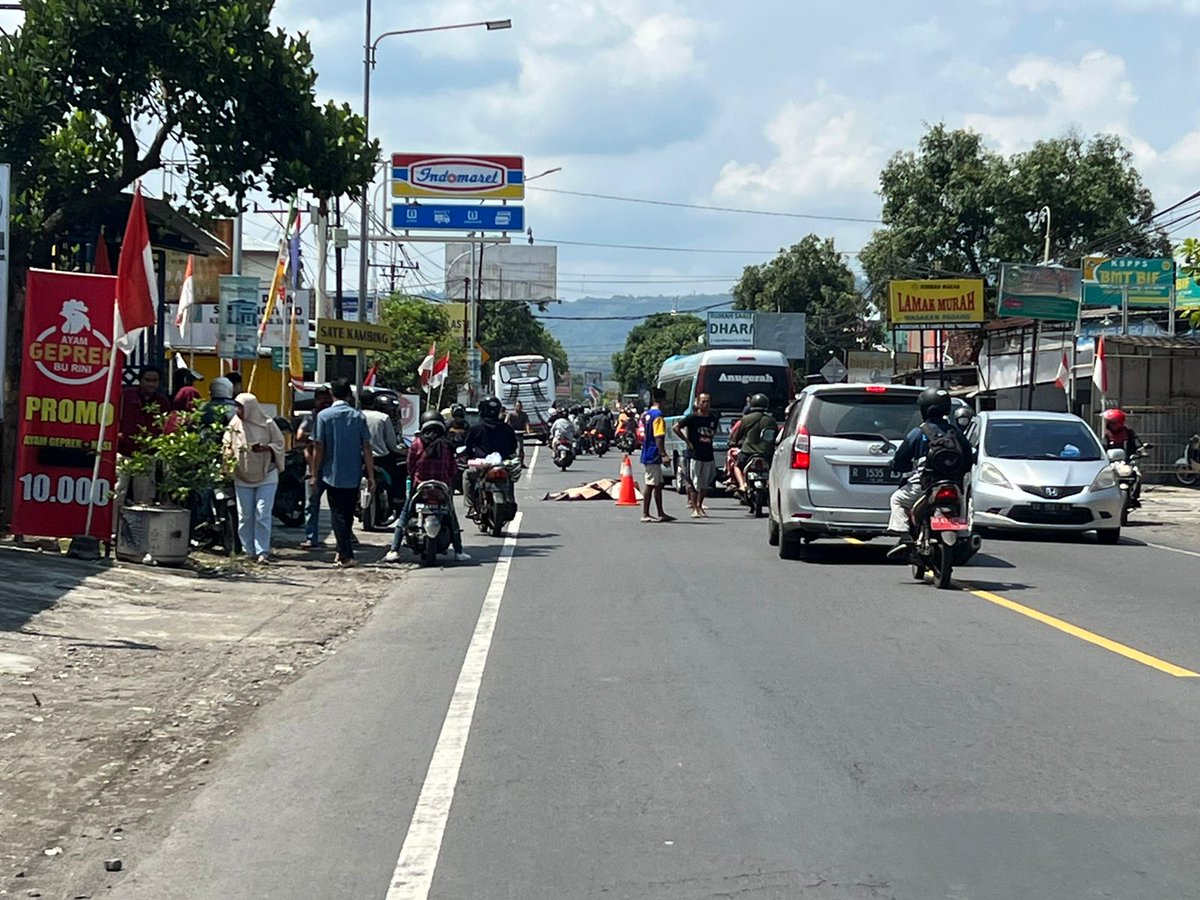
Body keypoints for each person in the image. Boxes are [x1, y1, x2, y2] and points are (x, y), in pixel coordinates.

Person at [885, 386, 971, 558]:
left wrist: (895, 465)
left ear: (925, 409)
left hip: (923, 486)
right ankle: (964, 535)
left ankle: (903, 536)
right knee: (960, 502)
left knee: (897, 500)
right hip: (952, 484)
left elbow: (901, 458)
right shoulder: (955, 432)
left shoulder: (919, 432)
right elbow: (968, 458)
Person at [384, 412, 469, 563]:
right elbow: (453, 468)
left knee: (405, 514)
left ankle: (394, 550)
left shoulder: (416, 443)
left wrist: (414, 476)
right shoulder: (446, 444)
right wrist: (448, 480)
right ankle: (458, 551)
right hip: (442, 487)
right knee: (451, 517)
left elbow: (410, 466)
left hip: (420, 486)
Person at [311, 377, 375, 568]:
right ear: (349, 394)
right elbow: (367, 447)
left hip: (331, 473)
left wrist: (314, 473)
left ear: (332, 393)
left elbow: (318, 447)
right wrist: (371, 475)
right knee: (346, 515)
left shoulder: (324, 416)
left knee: (337, 515)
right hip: (353, 473)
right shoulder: (358, 417)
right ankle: (342, 551)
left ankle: (346, 555)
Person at [223, 393, 285, 564]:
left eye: (241, 407)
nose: (238, 410)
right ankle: (247, 550)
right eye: (237, 406)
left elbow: (280, 443)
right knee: (245, 515)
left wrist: (265, 448)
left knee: (262, 513)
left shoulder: (268, 424)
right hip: (243, 474)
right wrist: (228, 456)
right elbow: (226, 442)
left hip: (267, 474)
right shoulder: (234, 423)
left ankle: (262, 551)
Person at [464, 396, 522, 512]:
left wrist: (470, 457)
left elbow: (468, 447)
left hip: (483, 465)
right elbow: (513, 447)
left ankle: (471, 506)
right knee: (510, 478)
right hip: (503, 464)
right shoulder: (507, 429)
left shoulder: (476, 429)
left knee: (467, 475)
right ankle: (510, 500)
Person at [297, 385, 333, 549]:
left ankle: (347, 536)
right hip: (313, 466)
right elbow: (300, 435)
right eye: (321, 398)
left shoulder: (333, 416)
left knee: (338, 506)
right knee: (311, 504)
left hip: (332, 466)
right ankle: (311, 537)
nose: (324, 401)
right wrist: (314, 437)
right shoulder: (312, 417)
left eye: (326, 398)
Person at [673, 392, 718, 517]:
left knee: (704, 483)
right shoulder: (692, 417)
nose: (706, 404)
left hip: (708, 454)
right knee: (693, 482)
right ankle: (694, 507)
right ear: (698, 403)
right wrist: (687, 441)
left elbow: (712, 433)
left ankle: (700, 505)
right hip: (694, 454)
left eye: (708, 401)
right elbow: (676, 428)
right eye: (703, 401)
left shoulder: (713, 418)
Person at [728, 392, 778, 505]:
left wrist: (733, 443)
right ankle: (770, 484)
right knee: (772, 469)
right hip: (766, 453)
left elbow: (737, 435)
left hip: (748, 452)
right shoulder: (771, 420)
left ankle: (742, 485)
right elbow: (775, 436)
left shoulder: (746, 419)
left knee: (737, 466)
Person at [639, 388, 675, 523]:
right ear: (663, 400)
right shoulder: (658, 415)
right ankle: (645, 513)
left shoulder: (648, 414)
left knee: (659, 484)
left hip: (648, 451)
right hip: (653, 454)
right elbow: (658, 436)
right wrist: (663, 454)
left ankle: (661, 512)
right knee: (650, 484)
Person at [364, 394, 404, 509]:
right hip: (381, 458)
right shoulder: (383, 418)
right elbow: (392, 444)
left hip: (359, 457)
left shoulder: (358, 415)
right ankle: (396, 500)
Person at [1102, 408, 1146, 507]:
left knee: (1137, 474)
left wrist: (1141, 451)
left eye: (1112, 422)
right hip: (1112, 463)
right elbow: (1103, 446)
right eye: (1108, 422)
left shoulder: (1129, 433)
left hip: (1127, 462)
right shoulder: (1107, 435)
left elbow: (1137, 444)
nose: (1109, 424)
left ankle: (1134, 497)